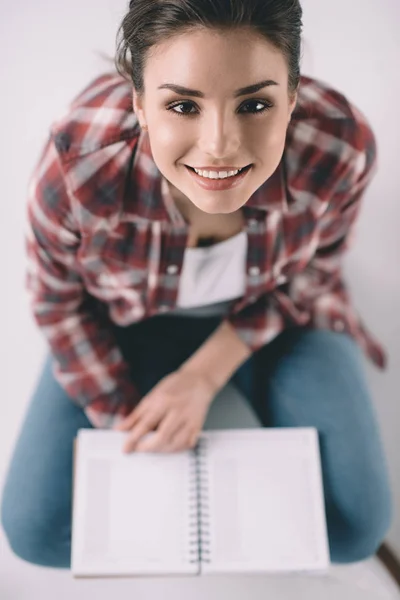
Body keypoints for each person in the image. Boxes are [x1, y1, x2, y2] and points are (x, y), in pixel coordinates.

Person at [1, 0, 393, 571]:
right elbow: (55, 300)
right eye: (183, 105)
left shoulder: (341, 146)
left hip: (273, 320)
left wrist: (203, 376)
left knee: (357, 526)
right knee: (35, 532)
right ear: (138, 101)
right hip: (127, 324)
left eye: (255, 103)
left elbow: (317, 269)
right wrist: (127, 423)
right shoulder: (78, 164)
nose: (219, 146)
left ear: (294, 96)